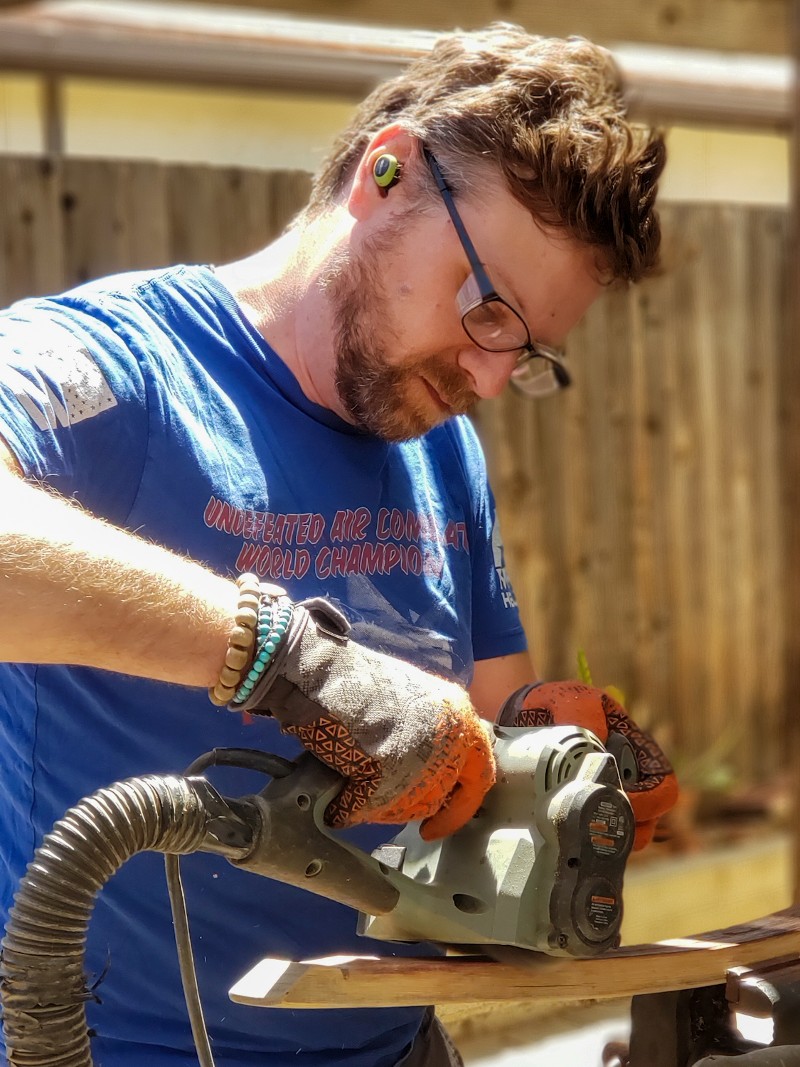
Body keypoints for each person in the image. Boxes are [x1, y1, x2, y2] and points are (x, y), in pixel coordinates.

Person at [0, 22, 674, 1067]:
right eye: (485, 307)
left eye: (527, 349)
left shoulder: (439, 444)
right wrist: (286, 659)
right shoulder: (113, 369)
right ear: (386, 171)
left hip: (398, 1045)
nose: (490, 376)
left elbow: (483, 743)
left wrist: (555, 755)